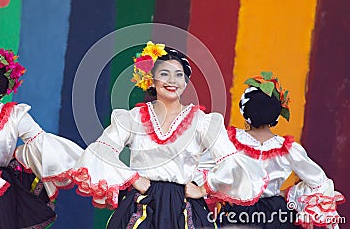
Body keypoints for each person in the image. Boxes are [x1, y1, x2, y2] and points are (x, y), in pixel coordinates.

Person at [72, 42, 269, 229]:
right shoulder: (134, 119)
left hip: (182, 204)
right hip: (143, 201)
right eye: (164, 74)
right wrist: (133, 179)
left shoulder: (201, 121)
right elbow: (101, 150)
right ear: (151, 79)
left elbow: (230, 160)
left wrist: (203, 188)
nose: (172, 81)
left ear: (185, 82)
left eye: (179, 75)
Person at [0, 49, 84, 228]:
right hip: (2, 190)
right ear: (4, 87)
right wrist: (79, 163)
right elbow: (41, 143)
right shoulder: (15, 115)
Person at [220, 72, 345, 228]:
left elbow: (205, 171)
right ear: (276, 117)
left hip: (237, 213)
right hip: (276, 214)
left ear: (245, 114)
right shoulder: (288, 149)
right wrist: (289, 194)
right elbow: (320, 182)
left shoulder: (229, 141)